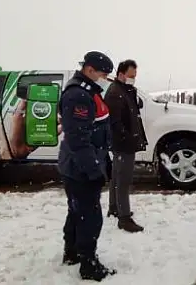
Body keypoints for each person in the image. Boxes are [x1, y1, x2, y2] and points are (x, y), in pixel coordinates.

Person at [58, 51, 117, 281]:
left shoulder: (87, 90)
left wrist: (105, 160)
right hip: (79, 168)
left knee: (77, 210)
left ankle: (71, 252)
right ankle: (88, 264)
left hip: (81, 163)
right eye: (103, 73)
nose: (105, 77)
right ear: (90, 70)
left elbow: (97, 132)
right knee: (89, 216)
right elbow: (78, 139)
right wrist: (93, 170)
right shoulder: (78, 96)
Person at [104, 59, 148, 233]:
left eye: (135, 76)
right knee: (123, 180)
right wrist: (128, 139)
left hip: (124, 142)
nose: (133, 79)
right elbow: (114, 122)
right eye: (131, 76)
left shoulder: (125, 90)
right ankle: (124, 218)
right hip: (123, 144)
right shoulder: (115, 93)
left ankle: (114, 207)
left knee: (117, 175)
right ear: (121, 74)